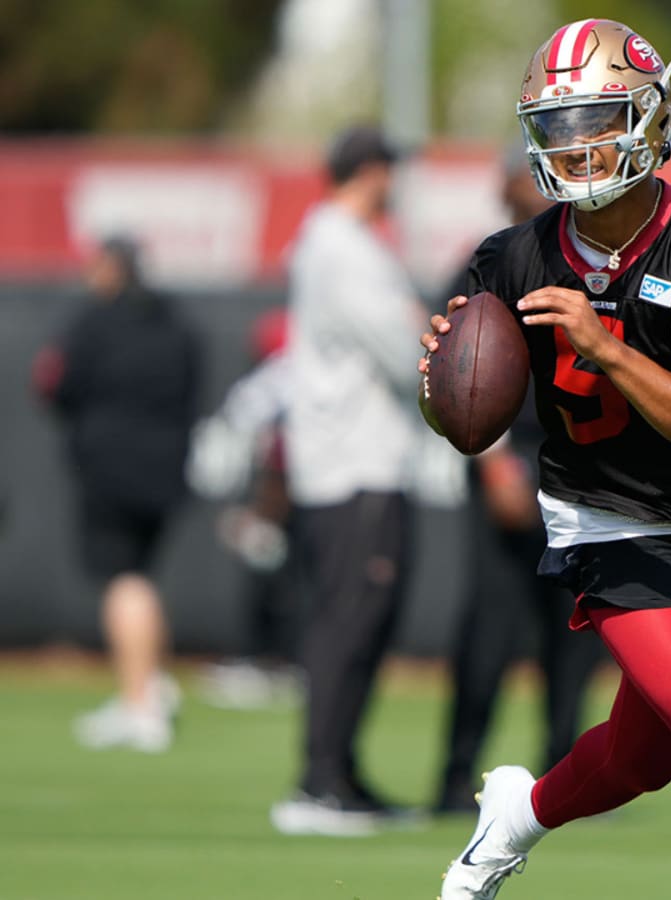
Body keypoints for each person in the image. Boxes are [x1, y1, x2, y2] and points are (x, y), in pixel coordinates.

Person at [419, 19, 671, 899]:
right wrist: (445, 390)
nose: (575, 146)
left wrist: (605, 350)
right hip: (603, 519)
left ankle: (513, 820)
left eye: (597, 118)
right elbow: (466, 422)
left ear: (647, 117)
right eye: (557, 126)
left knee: (645, 759)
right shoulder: (512, 257)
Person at [434, 146, 606, 814]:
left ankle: (566, 778)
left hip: (578, 464)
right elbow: (457, 374)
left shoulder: (586, 261)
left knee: (575, 627)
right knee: (490, 628)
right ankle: (455, 779)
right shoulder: (492, 260)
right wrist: (492, 457)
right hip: (511, 457)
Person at [268, 124, 429, 836]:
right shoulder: (340, 244)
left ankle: (342, 772)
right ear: (367, 171)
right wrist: (429, 335)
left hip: (367, 460)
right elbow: (403, 351)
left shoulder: (347, 243)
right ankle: (318, 784)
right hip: (352, 462)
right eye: (389, 170)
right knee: (347, 620)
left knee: (368, 620)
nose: (395, 184)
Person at [32, 235, 200, 753]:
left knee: (124, 580)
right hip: (165, 468)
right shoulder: (176, 324)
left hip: (111, 469)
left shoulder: (95, 322)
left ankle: (140, 704)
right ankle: (151, 683)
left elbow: (56, 386)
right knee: (141, 578)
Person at [186, 307, 302, 710]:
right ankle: (289, 665)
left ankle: (270, 664)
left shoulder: (275, 379)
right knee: (298, 581)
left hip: (289, 500)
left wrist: (261, 513)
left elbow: (278, 456)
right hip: (322, 497)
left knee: (275, 581)